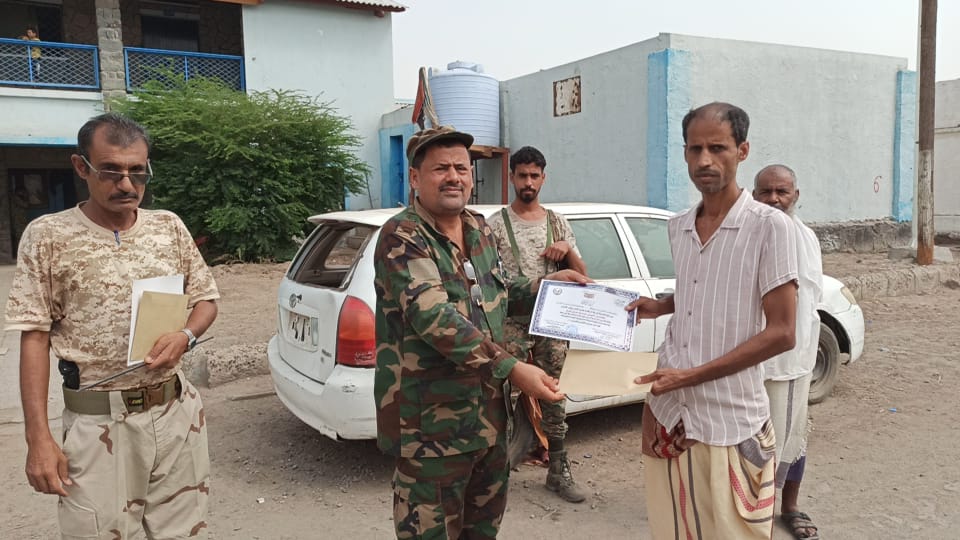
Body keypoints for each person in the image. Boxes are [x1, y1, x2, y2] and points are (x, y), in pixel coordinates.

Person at [5, 112, 219, 539]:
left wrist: (185, 336)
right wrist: (38, 439)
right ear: (81, 167)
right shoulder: (48, 236)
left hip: (176, 414)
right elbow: (35, 338)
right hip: (99, 425)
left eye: (137, 172)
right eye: (111, 171)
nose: (127, 185)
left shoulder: (168, 227)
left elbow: (206, 300)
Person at [374, 125, 589, 539]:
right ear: (415, 178)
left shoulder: (478, 228)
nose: (453, 177)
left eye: (461, 168)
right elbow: (435, 318)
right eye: (440, 169)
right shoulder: (402, 236)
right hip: (431, 430)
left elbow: (499, 295)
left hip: (489, 423)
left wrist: (550, 286)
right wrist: (512, 368)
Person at [626, 102, 799, 539]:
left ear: (742, 151)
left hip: (730, 420)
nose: (704, 160)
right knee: (675, 529)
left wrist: (690, 376)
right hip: (670, 414)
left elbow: (783, 332)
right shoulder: (680, 226)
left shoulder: (770, 227)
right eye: (695, 149)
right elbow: (704, 288)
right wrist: (661, 305)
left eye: (717, 148)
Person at [486, 145, 588, 503]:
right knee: (501, 394)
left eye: (534, 176)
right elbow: (490, 283)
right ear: (511, 177)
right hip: (511, 322)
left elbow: (582, 276)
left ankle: (558, 469)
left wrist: (566, 250)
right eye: (522, 175)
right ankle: (493, 472)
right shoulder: (494, 225)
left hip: (552, 322)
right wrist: (544, 280)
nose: (528, 182)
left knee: (554, 392)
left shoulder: (557, 222)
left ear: (543, 178)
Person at [753, 164, 823, 540]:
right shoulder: (744, 235)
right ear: (753, 196)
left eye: (782, 192)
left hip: (792, 358)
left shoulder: (806, 237)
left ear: (796, 195)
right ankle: (751, 510)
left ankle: (789, 507)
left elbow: (810, 298)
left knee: (792, 434)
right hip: (749, 357)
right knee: (747, 437)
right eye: (766, 192)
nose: (774, 199)